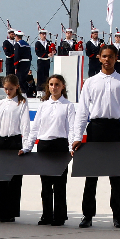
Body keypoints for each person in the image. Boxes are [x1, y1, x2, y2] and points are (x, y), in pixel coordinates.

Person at [76, 45, 120, 228]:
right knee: (91, 176)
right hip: (95, 129)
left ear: (116, 57)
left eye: (110, 56)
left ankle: (117, 216)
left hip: (114, 129)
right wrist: (77, 136)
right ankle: (87, 215)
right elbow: (82, 110)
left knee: (116, 176)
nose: (107, 59)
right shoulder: (91, 82)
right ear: (99, 58)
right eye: (104, 56)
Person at [27, 74, 74, 226]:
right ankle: (46, 215)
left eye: (57, 84)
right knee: (45, 184)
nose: (54, 87)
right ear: (48, 87)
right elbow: (35, 128)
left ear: (63, 86)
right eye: (51, 84)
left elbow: (71, 128)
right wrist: (28, 146)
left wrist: (72, 146)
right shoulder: (43, 105)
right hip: (44, 146)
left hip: (60, 146)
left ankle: (59, 216)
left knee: (60, 184)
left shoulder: (68, 105)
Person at [0, 71, 29, 222]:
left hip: (14, 142)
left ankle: (10, 213)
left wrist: (26, 146)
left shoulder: (21, 103)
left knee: (13, 179)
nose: (8, 91)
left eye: (11, 88)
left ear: (17, 87)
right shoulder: (1, 104)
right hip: (1, 142)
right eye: (6, 88)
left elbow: (25, 126)